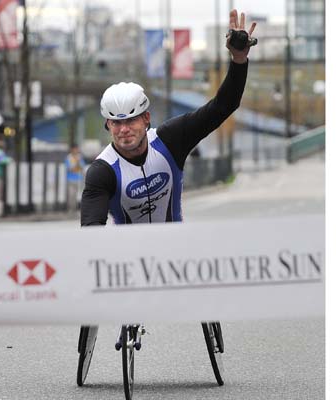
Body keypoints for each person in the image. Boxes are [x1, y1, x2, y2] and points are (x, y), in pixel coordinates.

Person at [76, 8, 257, 385]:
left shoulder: (171, 140)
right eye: (116, 123)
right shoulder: (101, 170)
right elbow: (90, 228)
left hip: (177, 246)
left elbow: (222, 106)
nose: (124, 130)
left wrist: (238, 60)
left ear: (146, 119)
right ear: (108, 125)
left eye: (131, 121)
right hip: (126, 254)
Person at [65, 144, 86, 212]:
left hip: (78, 179)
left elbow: (82, 167)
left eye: (77, 149)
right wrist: (76, 163)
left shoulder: (80, 157)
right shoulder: (69, 158)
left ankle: (75, 209)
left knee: (77, 195)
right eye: (75, 149)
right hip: (70, 179)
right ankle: (70, 209)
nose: (76, 150)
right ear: (72, 150)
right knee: (71, 195)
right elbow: (69, 168)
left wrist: (78, 163)